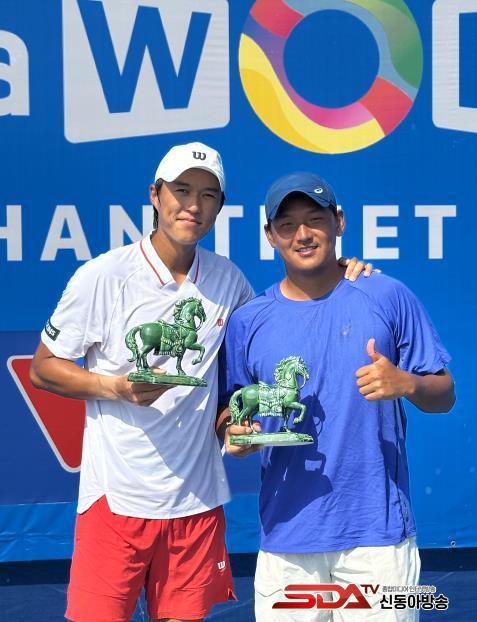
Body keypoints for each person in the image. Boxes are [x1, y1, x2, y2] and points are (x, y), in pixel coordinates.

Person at [30, 143, 370, 622]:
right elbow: (43, 367)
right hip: (115, 501)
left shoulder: (229, 281)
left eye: (208, 195)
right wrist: (116, 388)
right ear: (155, 195)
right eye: (182, 190)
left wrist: (343, 273)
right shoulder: (103, 275)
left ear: (219, 207)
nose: (193, 205)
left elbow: (246, 368)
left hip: (196, 506)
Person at [218, 172, 455, 622]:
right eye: (287, 224)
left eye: (315, 219)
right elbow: (230, 410)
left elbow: (444, 394)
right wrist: (235, 432)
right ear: (270, 236)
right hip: (286, 542)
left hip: (379, 541)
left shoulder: (387, 294)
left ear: (339, 222)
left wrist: (406, 383)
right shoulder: (248, 321)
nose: (302, 234)